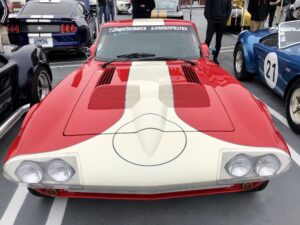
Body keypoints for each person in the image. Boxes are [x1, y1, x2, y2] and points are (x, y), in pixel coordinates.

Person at [204, 0, 231, 65]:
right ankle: (204, 56)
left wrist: (225, 20)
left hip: (221, 22)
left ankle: (215, 58)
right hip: (212, 21)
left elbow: (229, 9)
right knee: (208, 40)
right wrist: (209, 19)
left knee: (218, 41)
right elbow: (207, 7)